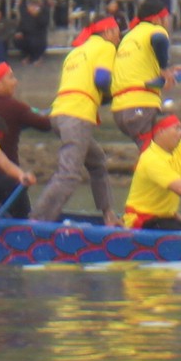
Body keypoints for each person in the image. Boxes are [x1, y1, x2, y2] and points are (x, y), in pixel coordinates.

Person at [36, 16, 118, 224]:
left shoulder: (76, 52)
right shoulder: (106, 47)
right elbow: (102, 80)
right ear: (108, 32)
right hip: (77, 115)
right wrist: (120, 92)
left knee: (97, 161)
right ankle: (37, 221)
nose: (119, 37)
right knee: (70, 174)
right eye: (117, 31)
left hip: (58, 114)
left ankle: (108, 214)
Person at [110, 0, 176, 144]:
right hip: (139, 104)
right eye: (166, 17)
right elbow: (159, 40)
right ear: (158, 19)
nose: (168, 22)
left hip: (119, 109)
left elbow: (139, 68)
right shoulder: (155, 30)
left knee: (151, 151)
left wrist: (167, 70)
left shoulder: (129, 37)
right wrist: (165, 70)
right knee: (152, 154)